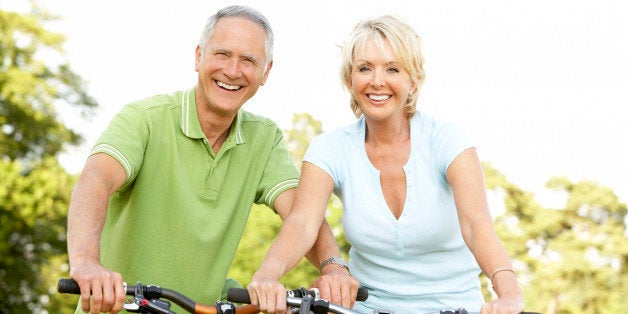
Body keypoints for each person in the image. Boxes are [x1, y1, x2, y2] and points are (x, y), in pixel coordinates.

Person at [66, 5, 355, 314]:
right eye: (222, 54)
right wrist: (86, 263)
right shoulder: (145, 119)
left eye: (248, 60)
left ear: (266, 72)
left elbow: (303, 214)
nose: (232, 71)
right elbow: (95, 179)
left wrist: (333, 266)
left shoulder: (264, 138)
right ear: (198, 56)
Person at [247, 14, 526, 314]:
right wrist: (266, 277)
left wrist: (508, 294)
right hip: (366, 308)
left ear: (414, 80)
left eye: (392, 69)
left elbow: (477, 225)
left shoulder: (447, 140)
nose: (377, 80)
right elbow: (302, 224)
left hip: (452, 306)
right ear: (349, 79)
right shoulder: (330, 148)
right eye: (365, 68)